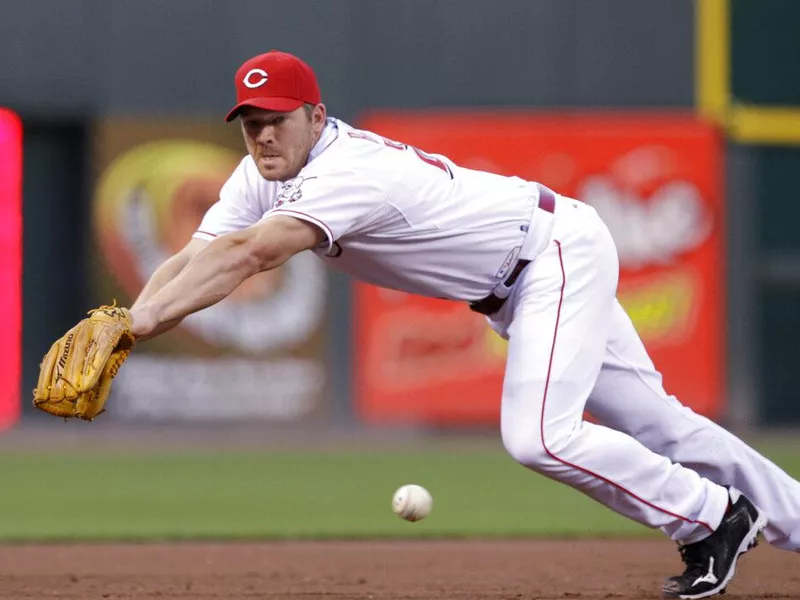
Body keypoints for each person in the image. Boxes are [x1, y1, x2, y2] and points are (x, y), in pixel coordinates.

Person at [127, 50, 799, 599]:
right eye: (251, 122)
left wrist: (142, 325)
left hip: (552, 255)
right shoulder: (256, 177)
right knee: (662, 424)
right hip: (529, 273)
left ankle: (712, 515)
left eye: (277, 118)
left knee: (539, 437)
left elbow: (251, 254)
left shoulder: (348, 171)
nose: (264, 135)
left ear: (316, 116)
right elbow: (197, 254)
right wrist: (127, 322)